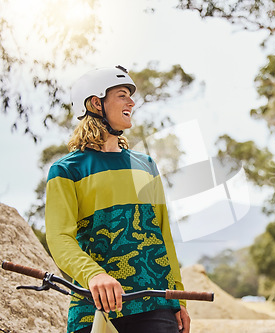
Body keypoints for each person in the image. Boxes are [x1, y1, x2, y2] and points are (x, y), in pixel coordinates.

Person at [45, 65, 190, 333]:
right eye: (122, 95)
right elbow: (59, 238)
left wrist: (177, 296)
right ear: (96, 103)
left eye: (130, 95)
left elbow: (163, 234)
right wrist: (93, 275)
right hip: (94, 306)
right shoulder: (66, 171)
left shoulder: (146, 165)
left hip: (155, 303)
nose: (132, 102)